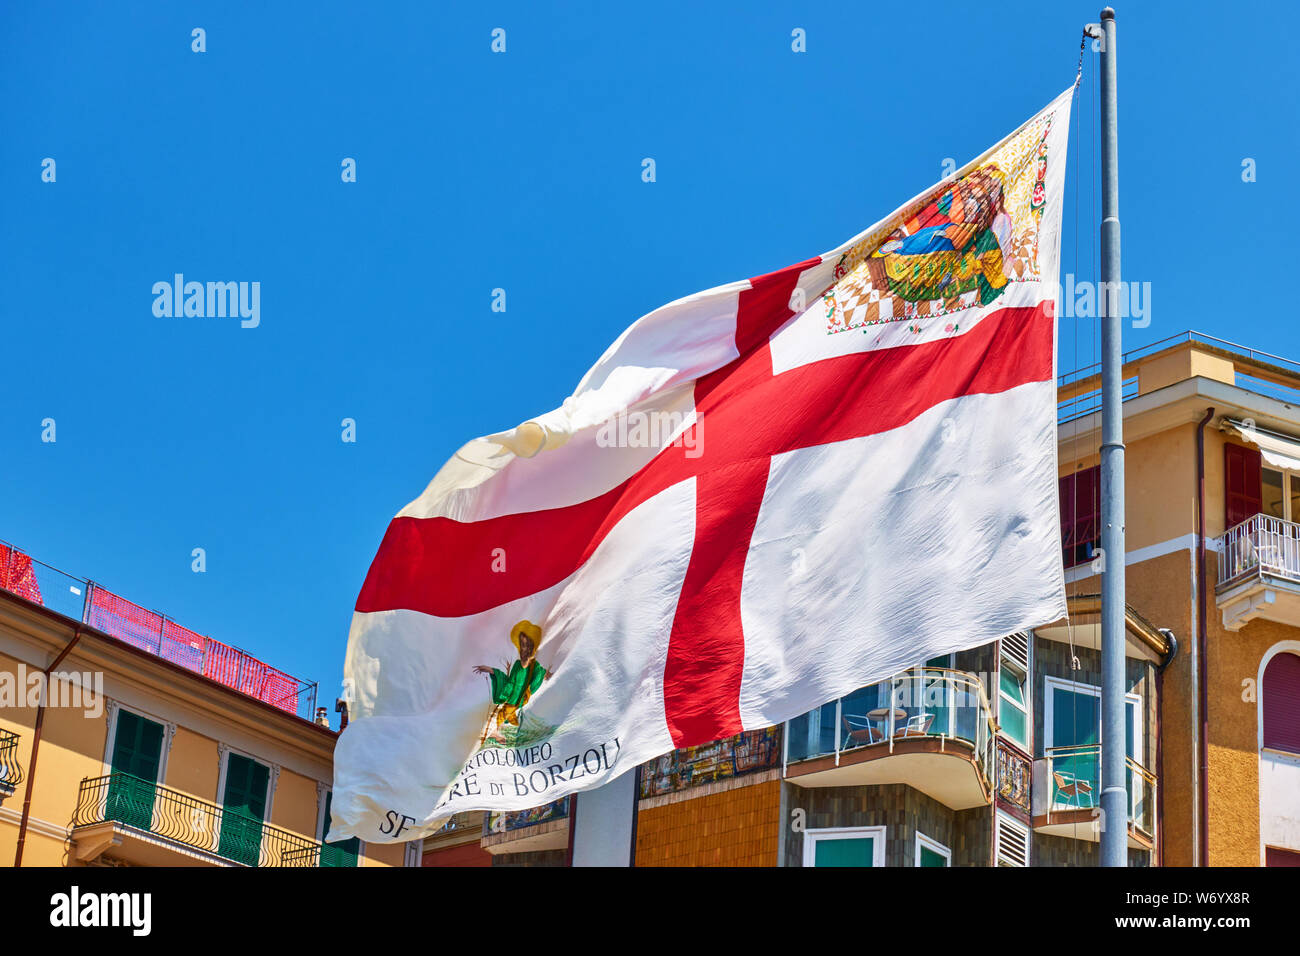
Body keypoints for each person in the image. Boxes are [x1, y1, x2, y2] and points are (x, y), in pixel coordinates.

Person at [474, 621, 549, 743]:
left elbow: (542, 675)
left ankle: (500, 732)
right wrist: (492, 671)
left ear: (531, 646)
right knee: (503, 712)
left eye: (526, 644)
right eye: (521, 645)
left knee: (511, 714)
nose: (523, 648)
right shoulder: (517, 664)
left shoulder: (536, 667)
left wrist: (550, 674)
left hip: (521, 698)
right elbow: (509, 681)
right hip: (511, 696)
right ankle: (496, 732)